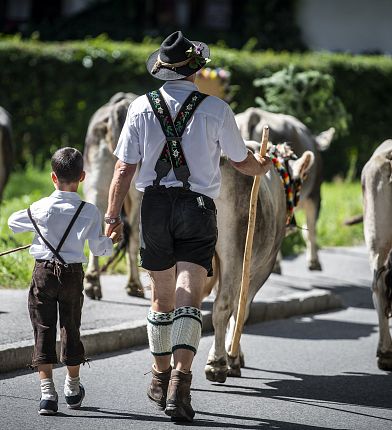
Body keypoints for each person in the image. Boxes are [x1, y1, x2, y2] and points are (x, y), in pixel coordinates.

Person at [104, 31, 272, 422]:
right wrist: (262, 167)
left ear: (162, 71)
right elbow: (240, 160)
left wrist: (112, 216)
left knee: (160, 297)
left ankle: (159, 378)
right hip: (198, 207)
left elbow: (123, 168)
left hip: (155, 207)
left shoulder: (140, 108)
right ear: (197, 71)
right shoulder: (217, 110)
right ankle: (181, 381)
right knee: (189, 297)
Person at [8, 147, 120, 416]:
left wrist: (40, 230)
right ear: (82, 176)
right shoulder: (89, 211)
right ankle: (72, 387)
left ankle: (47, 395)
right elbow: (100, 249)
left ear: (52, 177)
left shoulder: (40, 207)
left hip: (43, 273)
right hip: (72, 274)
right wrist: (111, 241)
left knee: (43, 327)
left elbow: (13, 222)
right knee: (71, 326)